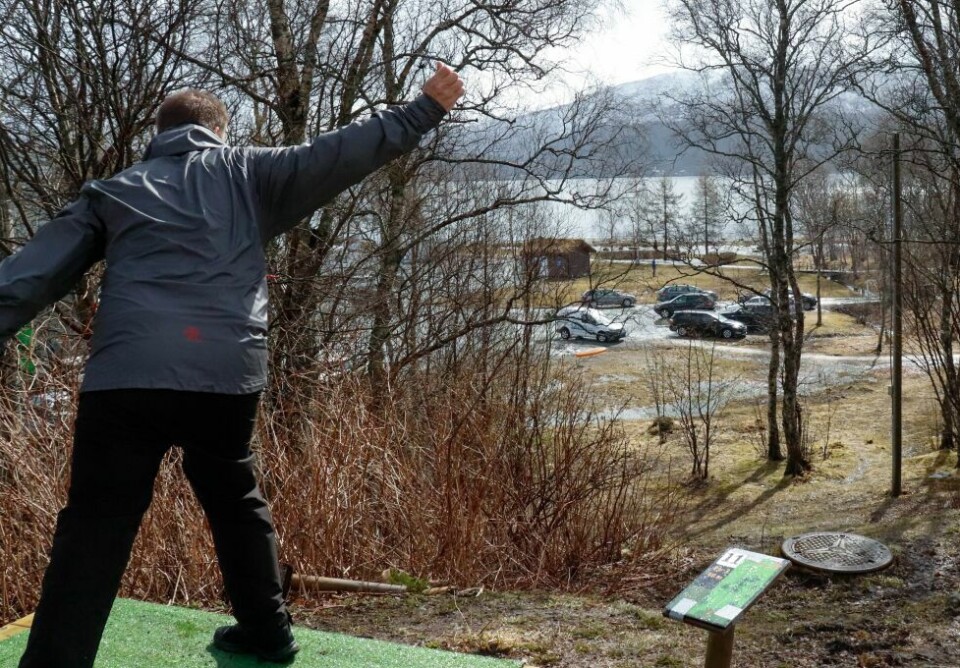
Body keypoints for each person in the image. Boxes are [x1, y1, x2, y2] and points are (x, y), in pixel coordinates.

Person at [0, 63, 464, 667]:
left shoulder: (113, 191)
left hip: (126, 379)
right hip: (225, 375)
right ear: (219, 131)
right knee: (234, 497)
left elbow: (29, 277)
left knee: (95, 522)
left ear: (158, 135)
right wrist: (421, 110)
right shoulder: (252, 173)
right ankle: (267, 635)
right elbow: (339, 154)